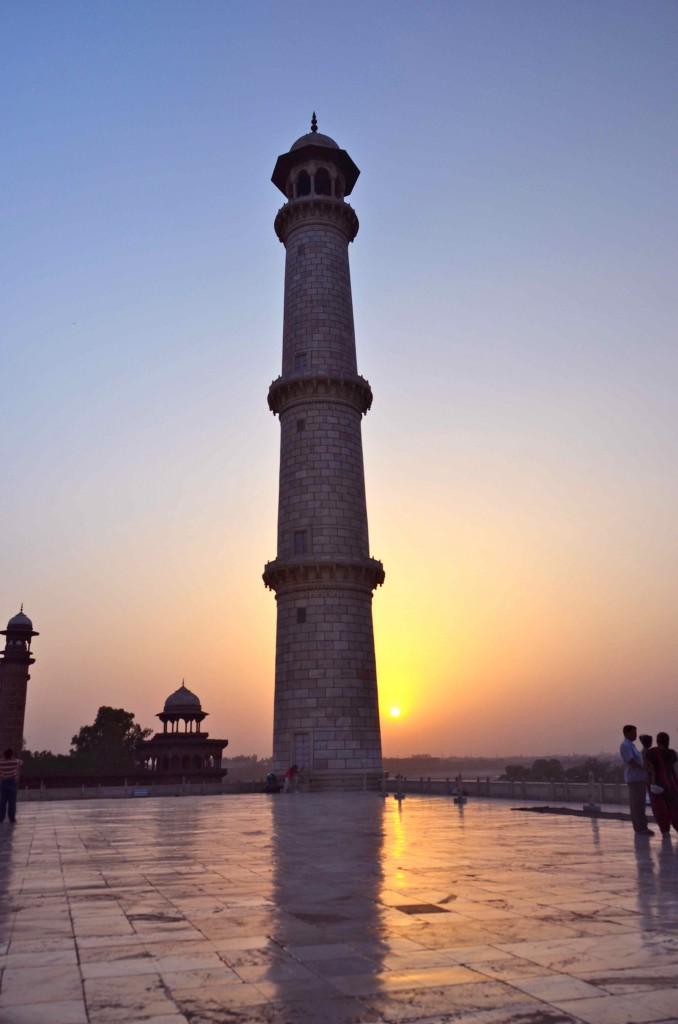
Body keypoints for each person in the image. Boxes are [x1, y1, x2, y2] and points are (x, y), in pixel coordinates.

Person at [619, 725, 653, 835]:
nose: (635, 735)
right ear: (627, 733)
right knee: (638, 804)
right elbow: (631, 761)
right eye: (634, 732)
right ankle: (641, 827)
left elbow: (638, 759)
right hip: (635, 778)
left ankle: (640, 826)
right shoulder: (625, 745)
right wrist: (642, 767)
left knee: (638, 803)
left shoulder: (631, 745)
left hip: (638, 778)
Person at [645, 732, 678, 836]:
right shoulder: (672, 753)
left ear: (657, 741)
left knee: (660, 809)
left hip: (657, 786)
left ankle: (665, 831)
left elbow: (647, 768)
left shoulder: (651, 753)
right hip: (672, 785)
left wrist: (652, 780)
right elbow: (676, 770)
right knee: (674, 808)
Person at [0, 748, 23, 824]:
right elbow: (21, 762)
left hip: (3, 782)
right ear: (11, 755)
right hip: (12, 782)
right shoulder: (15, 762)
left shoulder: (1, 762)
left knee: (2, 801)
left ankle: (1, 817)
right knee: (12, 801)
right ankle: (12, 818)